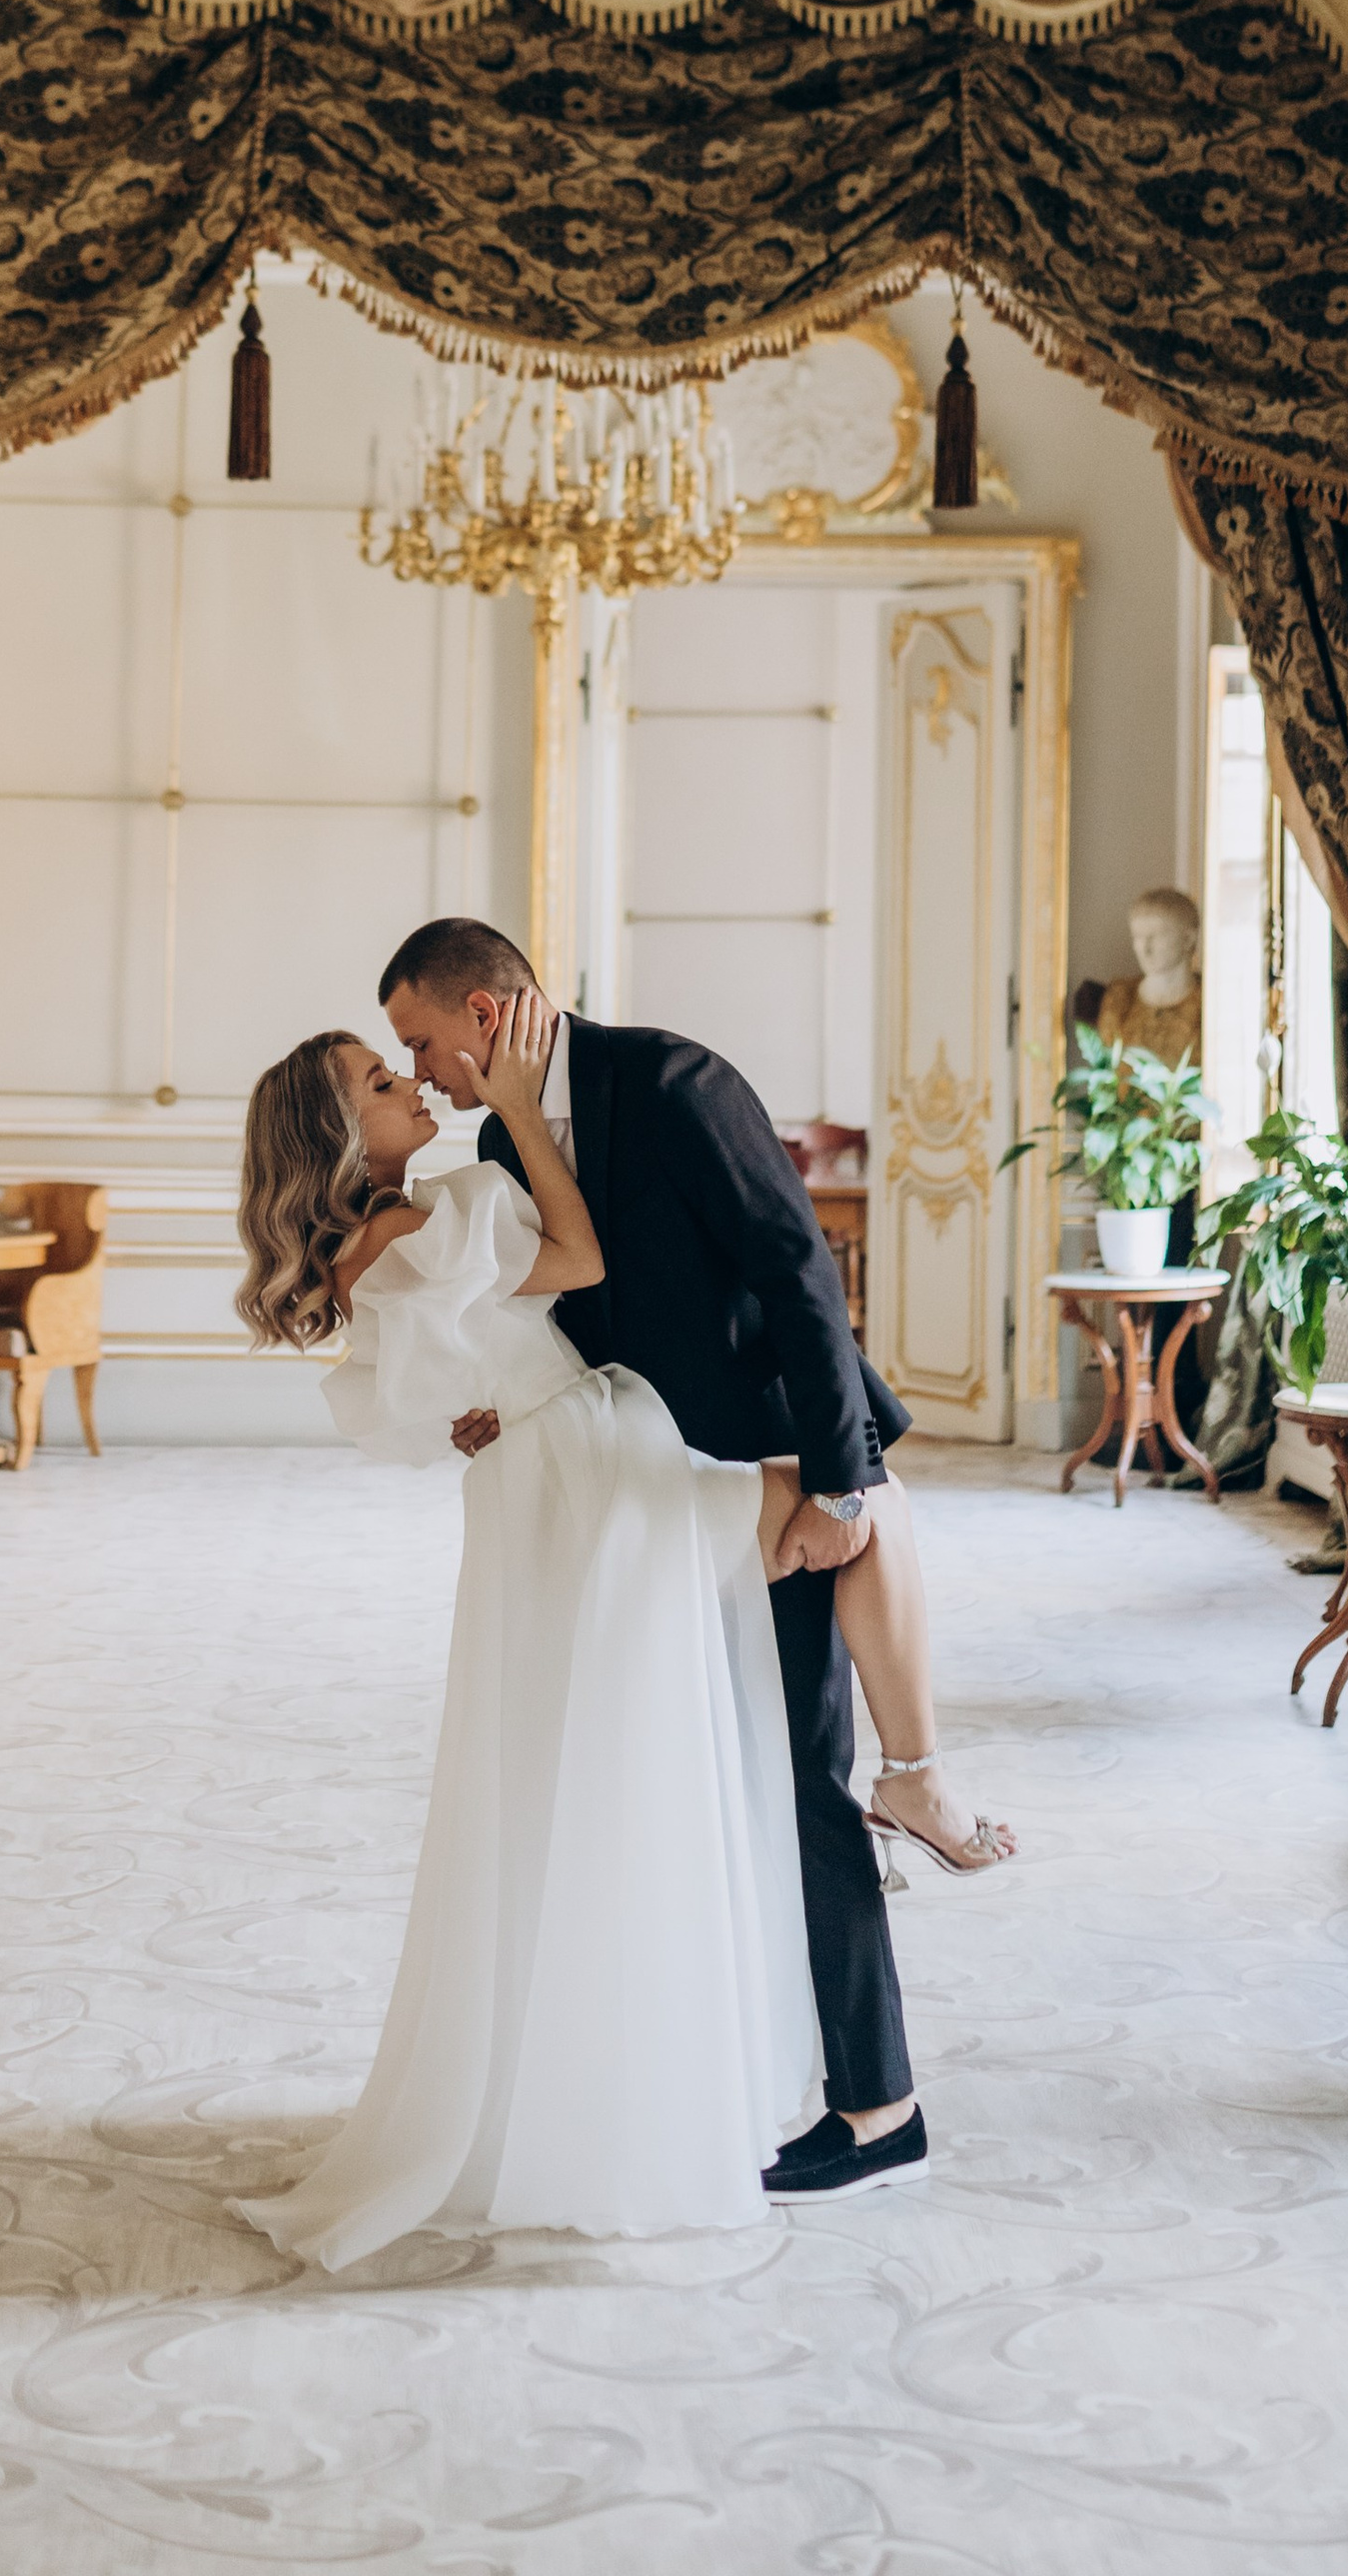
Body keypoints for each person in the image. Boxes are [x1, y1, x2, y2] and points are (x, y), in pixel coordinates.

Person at [382, 920, 1012, 2206]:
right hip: (650, 1493)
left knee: (800, 1784)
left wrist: (837, 1483)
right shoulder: (508, 1141)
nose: (425, 1071)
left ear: (488, 1013)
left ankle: (878, 2104)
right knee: (718, 1793)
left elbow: (797, 1273)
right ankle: (755, 2070)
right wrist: (503, 1408)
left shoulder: (672, 1083)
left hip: (772, 1481)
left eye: (423, 1041)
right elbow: (569, 1312)